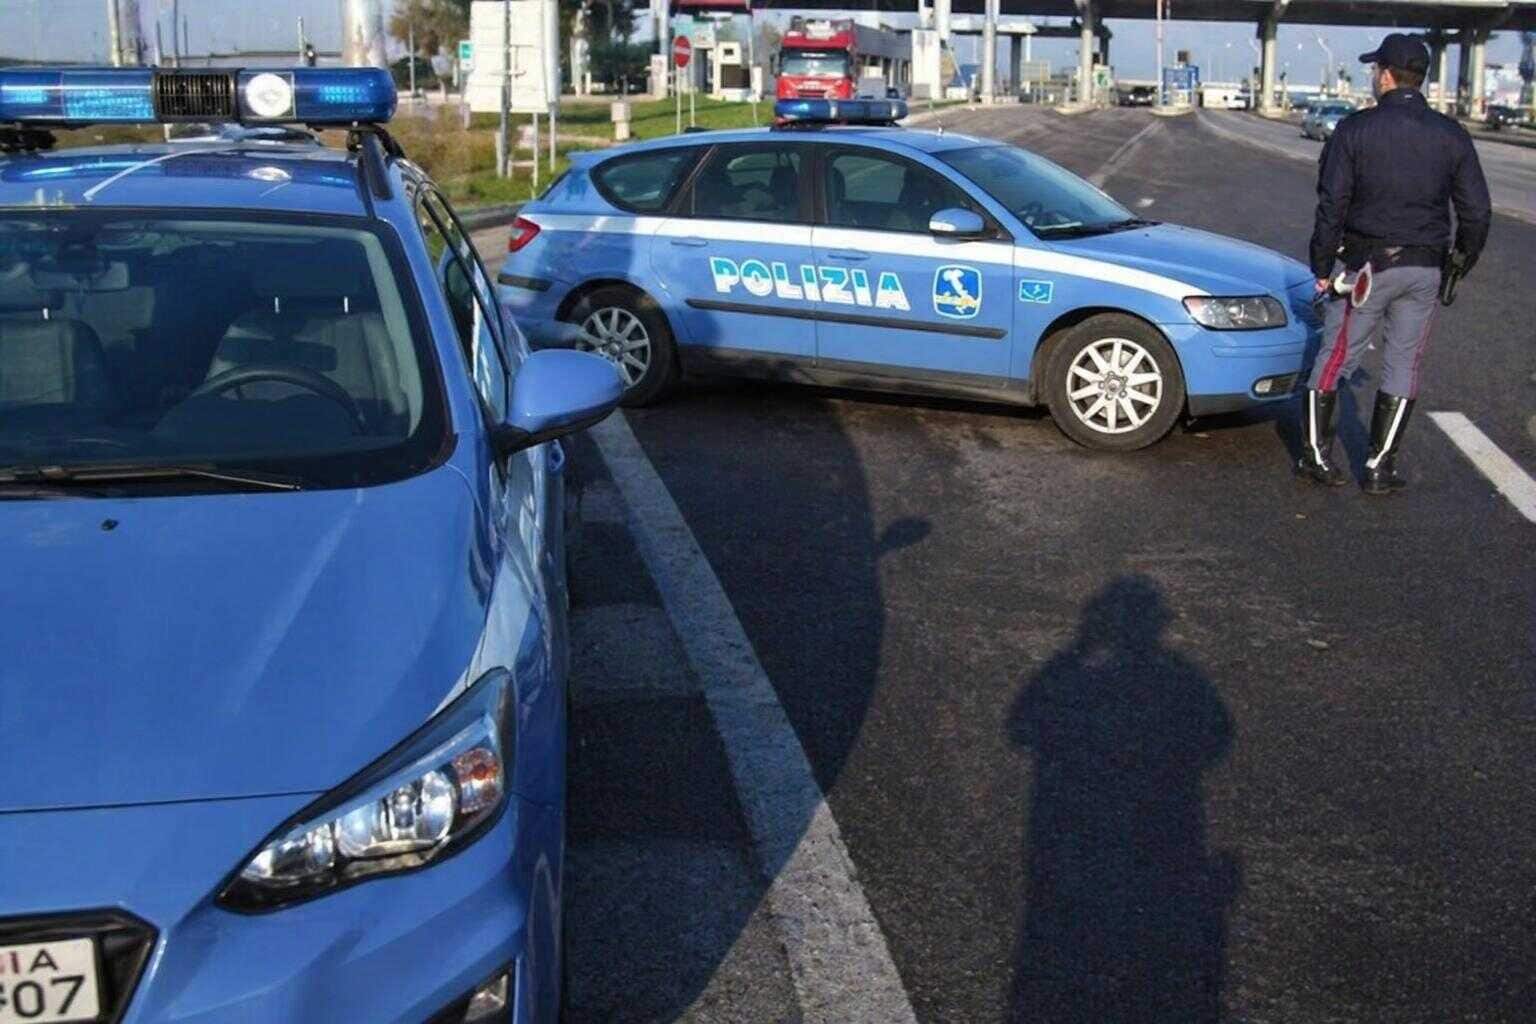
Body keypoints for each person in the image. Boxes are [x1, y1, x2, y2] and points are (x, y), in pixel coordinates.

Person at [1296, 33, 1491, 494]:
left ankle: (1316, 457)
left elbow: (1332, 204)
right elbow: (1477, 212)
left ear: (1384, 74)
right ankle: (1380, 468)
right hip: (1424, 268)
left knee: (1334, 358)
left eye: (1373, 70)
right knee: (1404, 364)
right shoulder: (1451, 134)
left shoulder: (1354, 130)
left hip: (1367, 267)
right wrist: (1459, 263)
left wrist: (1321, 266)